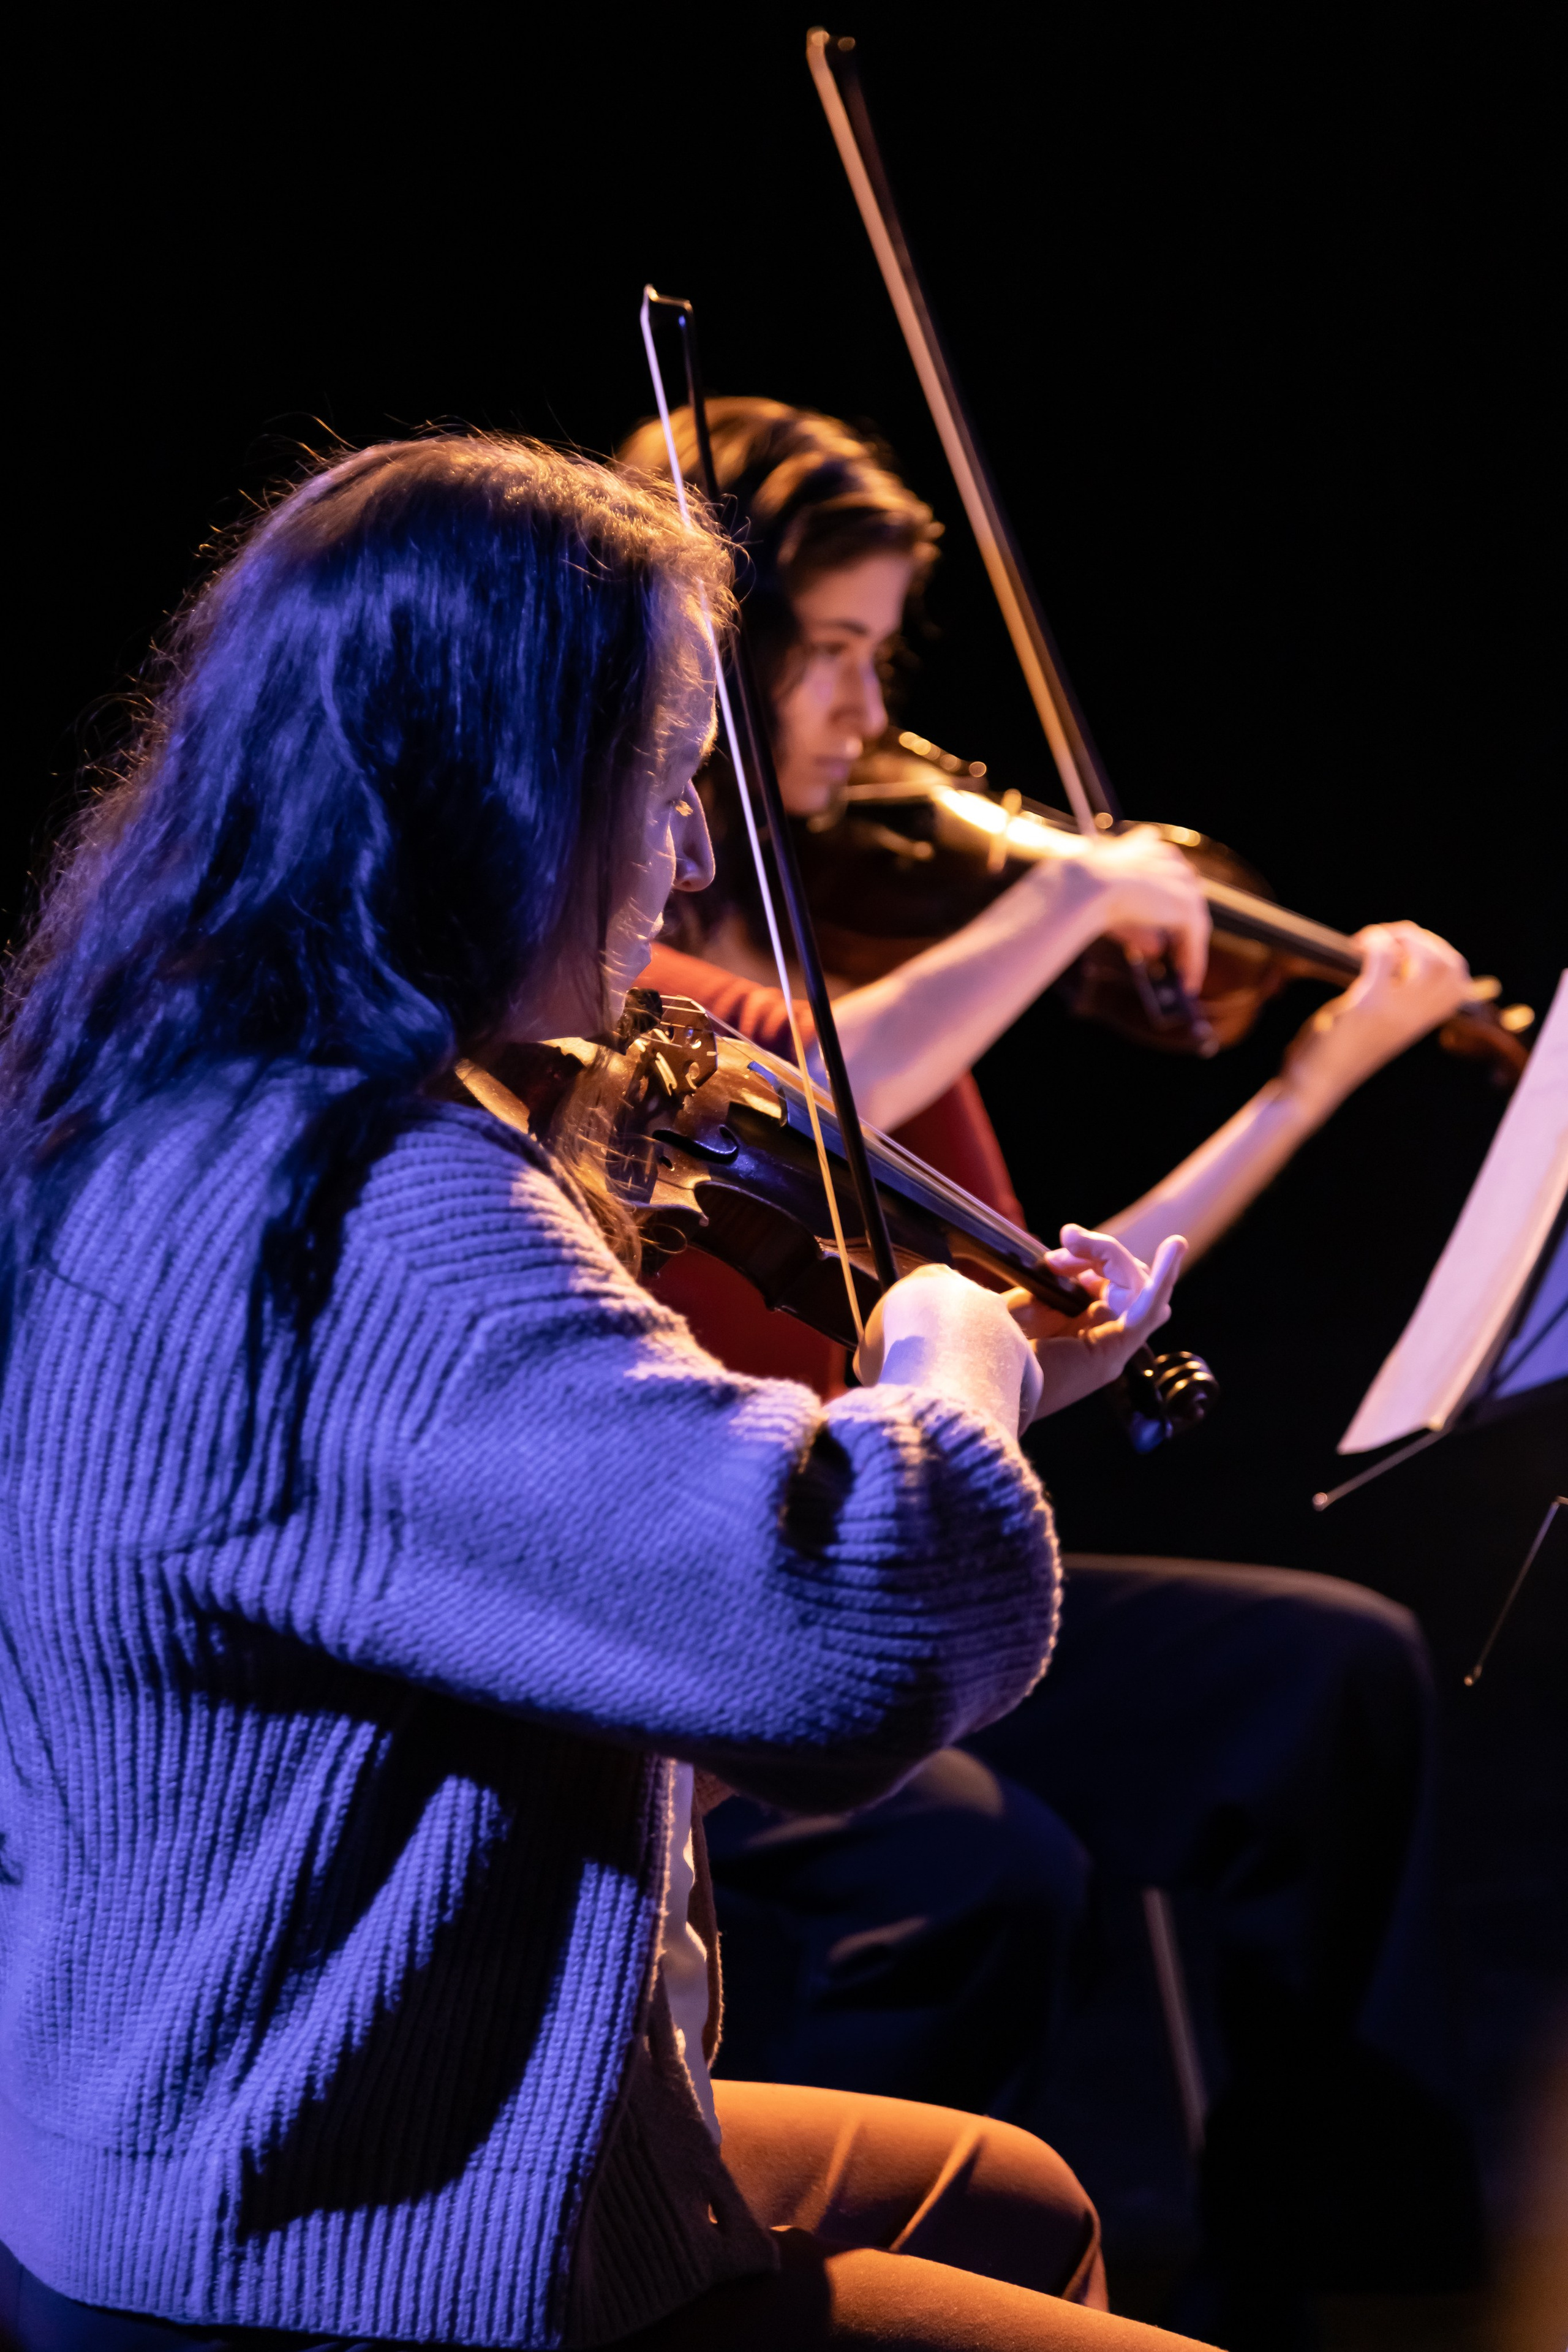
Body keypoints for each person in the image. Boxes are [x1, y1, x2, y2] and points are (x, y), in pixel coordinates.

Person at [0, 433, 1219, 2351]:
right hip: (345, 2244)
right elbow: (867, 1639)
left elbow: (609, 1584)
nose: (703, 856)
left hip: (179, 2151)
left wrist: (986, 1396)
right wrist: (952, 1351)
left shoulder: (157, 1109)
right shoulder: (375, 1212)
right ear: (487, 793)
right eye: (663, 784)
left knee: (1013, 2196)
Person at [617, 399, 1485, 2343]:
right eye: (826, 654)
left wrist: (1310, 1081)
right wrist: (1074, 895)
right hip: (762, 1589)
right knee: (975, 1855)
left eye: (876, 657)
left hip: (918, 1534)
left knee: (1335, 1671)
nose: (865, 714)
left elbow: (1019, 1281)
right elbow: (822, 1074)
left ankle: (1358, 2276)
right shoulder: (637, 1000)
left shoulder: (832, 951)